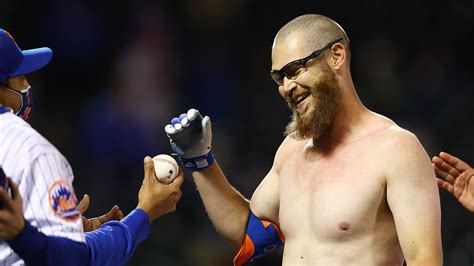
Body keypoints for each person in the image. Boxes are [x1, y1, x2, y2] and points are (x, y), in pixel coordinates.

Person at [164, 14, 442, 265]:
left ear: (336, 56)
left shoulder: (396, 149)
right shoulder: (292, 151)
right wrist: (201, 162)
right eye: (279, 77)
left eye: (295, 70)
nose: (286, 87)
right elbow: (247, 231)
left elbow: (424, 259)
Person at [0, 27, 184, 265]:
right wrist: (144, 213)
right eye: (21, 76)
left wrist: (55, 232)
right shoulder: (32, 151)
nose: (26, 85)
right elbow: (74, 260)